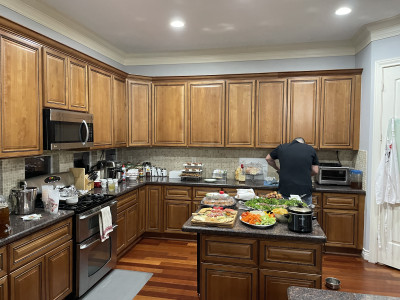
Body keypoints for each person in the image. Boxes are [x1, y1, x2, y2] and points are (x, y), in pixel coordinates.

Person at [265, 137, 319, 206]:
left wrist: (278, 169)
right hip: (304, 192)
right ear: (303, 143)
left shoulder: (282, 147)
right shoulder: (310, 149)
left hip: (285, 191)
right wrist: (306, 174)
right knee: (304, 214)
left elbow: (268, 158)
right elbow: (315, 170)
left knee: (284, 214)